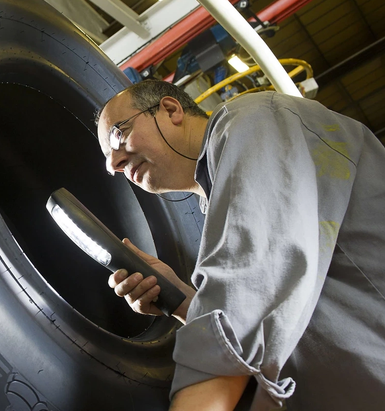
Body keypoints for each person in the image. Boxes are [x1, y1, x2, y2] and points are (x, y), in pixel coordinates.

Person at [95, 80, 385, 411]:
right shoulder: (218, 207)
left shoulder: (251, 121)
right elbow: (272, 309)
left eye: (118, 135)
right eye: (107, 158)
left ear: (171, 110)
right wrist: (178, 298)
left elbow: (252, 287)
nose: (113, 164)